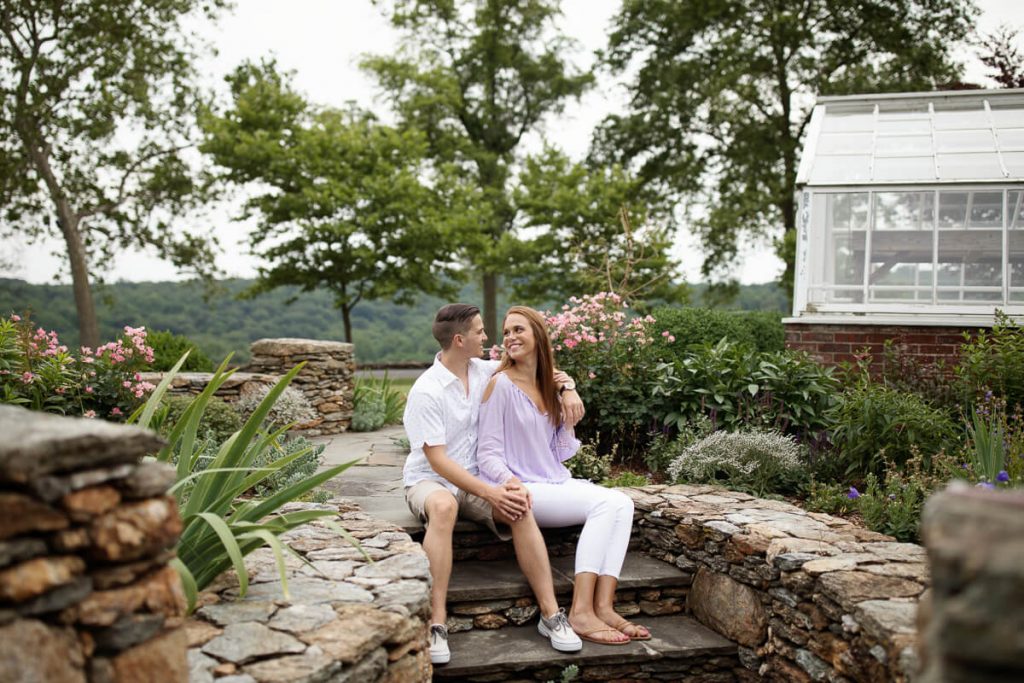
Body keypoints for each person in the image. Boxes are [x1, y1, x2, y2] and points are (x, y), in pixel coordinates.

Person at [402, 303, 586, 664]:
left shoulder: (485, 370)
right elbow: (437, 461)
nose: (488, 338)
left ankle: (551, 615)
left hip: (477, 478)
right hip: (430, 480)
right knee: (444, 506)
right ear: (459, 339)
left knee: (518, 503)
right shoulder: (427, 390)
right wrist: (489, 491)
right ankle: (436, 623)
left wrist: (569, 389)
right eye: (480, 332)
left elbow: (550, 372)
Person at [476, 305, 651, 645]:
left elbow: (558, 453)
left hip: (555, 480)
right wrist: (510, 482)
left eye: (518, 330)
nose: (510, 337)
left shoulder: (551, 385)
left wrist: (568, 409)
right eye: (507, 332)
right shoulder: (499, 385)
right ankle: (581, 611)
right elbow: (487, 453)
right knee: (605, 505)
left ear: (538, 335)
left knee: (623, 503)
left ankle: (604, 604)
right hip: (523, 487)